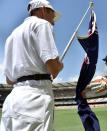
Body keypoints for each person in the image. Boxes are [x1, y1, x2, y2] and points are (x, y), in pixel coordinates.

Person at [0, 0, 63, 131]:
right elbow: (54, 68)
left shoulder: (11, 36)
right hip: (35, 98)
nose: (54, 21)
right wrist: (59, 65)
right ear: (43, 10)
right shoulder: (42, 24)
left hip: (13, 99)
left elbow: (9, 80)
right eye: (53, 15)